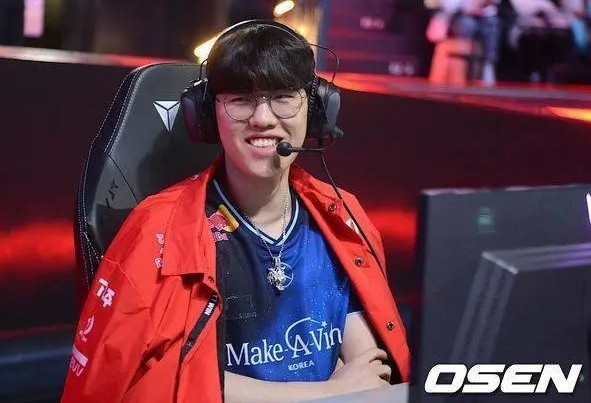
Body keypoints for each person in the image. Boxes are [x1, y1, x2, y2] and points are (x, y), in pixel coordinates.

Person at [60, 20, 410, 403]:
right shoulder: (157, 229)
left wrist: (347, 388)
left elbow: (369, 367)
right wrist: (325, 392)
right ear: (208, 114)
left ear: (315, 109)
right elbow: (155, 381)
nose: (263, 119)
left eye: (283, 96)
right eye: (241, 99)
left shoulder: (338, 214)